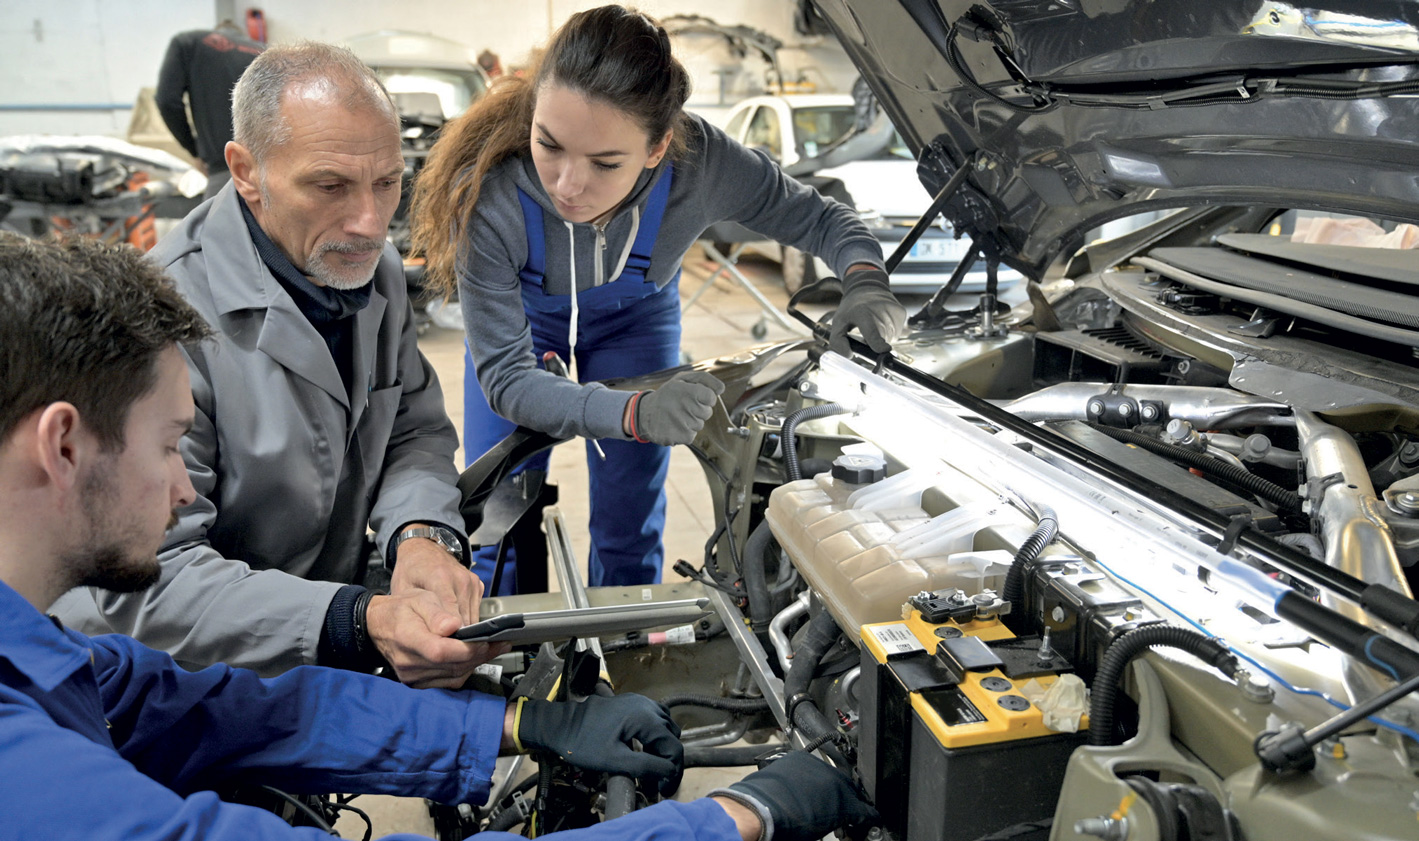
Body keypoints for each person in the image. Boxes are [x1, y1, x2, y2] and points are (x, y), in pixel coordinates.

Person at [0, 232, 877, 841]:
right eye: (166, 447)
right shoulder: (25, 781)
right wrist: (737, 815)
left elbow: (239, 709)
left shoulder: (41, 649)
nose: (186, 484)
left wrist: (520, 722)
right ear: (64, 444)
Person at [410, 5, 906, 591]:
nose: (568, 184)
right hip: (524, 324)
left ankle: (626, 650)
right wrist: (630, 411)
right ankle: (496, 651)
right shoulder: (491, 195)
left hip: (635, 326)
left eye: (605, 162)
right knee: (495, 514)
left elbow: (823, 219)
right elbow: (510, 382)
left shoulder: (705, 165)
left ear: (657, 147)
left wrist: (868, 279)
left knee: (629, 518)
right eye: (550, 145)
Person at [52, 42, 493, 688]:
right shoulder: (154, 321)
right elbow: (148, 576)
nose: (371, 222)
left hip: (323, 621)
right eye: (330, 185)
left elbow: (412, 430)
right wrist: (353, 618)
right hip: (177, 674)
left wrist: (420, 532)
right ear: (245, 170)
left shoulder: (377, 274)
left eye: (388, 182)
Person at [155, 21, 264, 199]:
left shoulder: (188, 43)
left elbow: (167, 101)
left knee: (220, 224)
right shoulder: (264, 51)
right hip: (270, 168)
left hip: (224, 170)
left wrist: (194, 150)